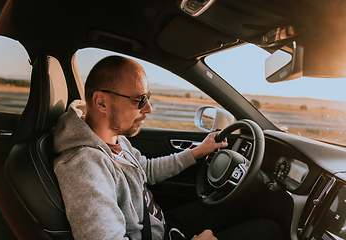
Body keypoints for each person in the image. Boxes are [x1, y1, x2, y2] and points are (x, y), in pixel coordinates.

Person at [53, 55, 282, 240]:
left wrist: (198, 151)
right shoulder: (84, 167)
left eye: (148, 97)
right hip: (156, 232)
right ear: (101, 102)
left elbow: (146, 170)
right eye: (140, 100)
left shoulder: (115, 139)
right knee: (269, 230)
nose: (149, 108)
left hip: (163, 224)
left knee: (240, 207)